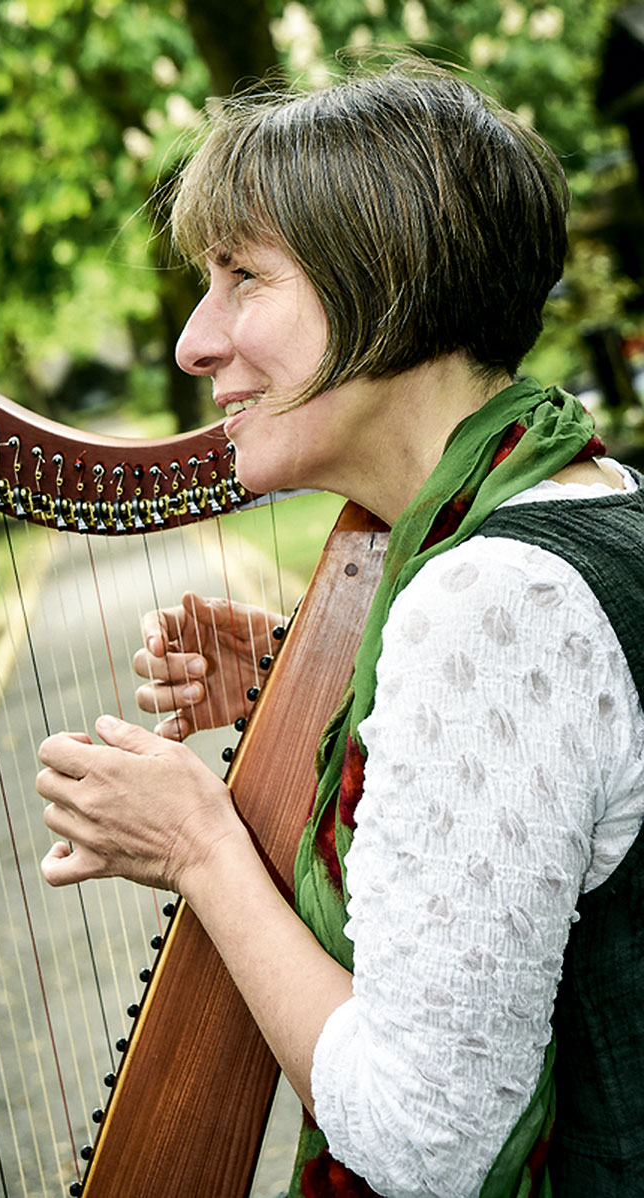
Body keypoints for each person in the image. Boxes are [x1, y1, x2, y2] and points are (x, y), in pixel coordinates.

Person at [35, 58, 644, 1197]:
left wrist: (195, 847)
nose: (191, 341)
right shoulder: (586, 502)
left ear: (388, 284)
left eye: (240, 277)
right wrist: (295, 680)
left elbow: (426, 1145)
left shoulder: (491, 606)